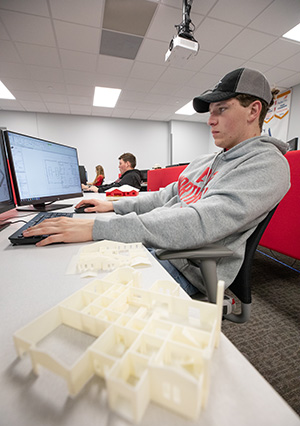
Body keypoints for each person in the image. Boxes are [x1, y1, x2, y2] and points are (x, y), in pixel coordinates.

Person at [23, 68, 290, 297]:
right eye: (210, 111)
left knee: (76, 293)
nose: (210, 120)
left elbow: (199, 223)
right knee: (57, 267)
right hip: (156, 244)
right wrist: (114, 208)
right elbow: (164, 196)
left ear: (253, 111)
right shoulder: (207, 161)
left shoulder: (267, 165)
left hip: (182, 264)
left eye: (221, 109)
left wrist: (99, 229)